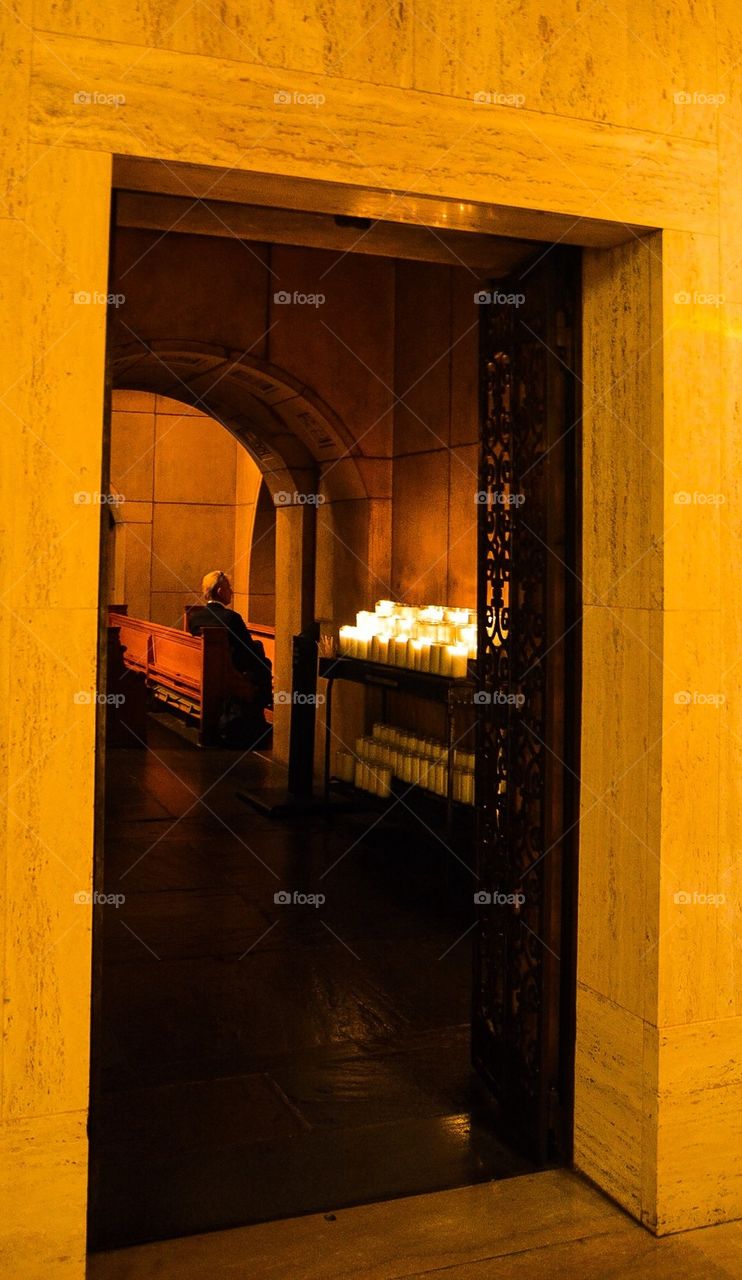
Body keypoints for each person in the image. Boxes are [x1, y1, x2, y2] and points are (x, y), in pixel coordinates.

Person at [188, 570, 272, 746]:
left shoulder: (195, 617)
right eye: (229, 588)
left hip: (198, 670)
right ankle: (259, 716)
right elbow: (247, 650)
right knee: (263, 665)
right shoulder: (231, 618)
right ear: (219, 591)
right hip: (227, 673)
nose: (232, 592)